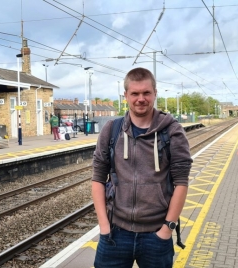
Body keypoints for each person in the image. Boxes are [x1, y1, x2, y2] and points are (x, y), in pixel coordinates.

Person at [91, 67, 192, 267]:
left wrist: (167, 230)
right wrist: (104, 226)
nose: (141, 98)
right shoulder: (111, 130)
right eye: (135, 93)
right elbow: (98, 179)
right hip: (115, 234)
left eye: (146, 92)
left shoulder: (172, 132)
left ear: (155, 93)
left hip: (156, 236)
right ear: (125, 96)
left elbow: (181, 182)